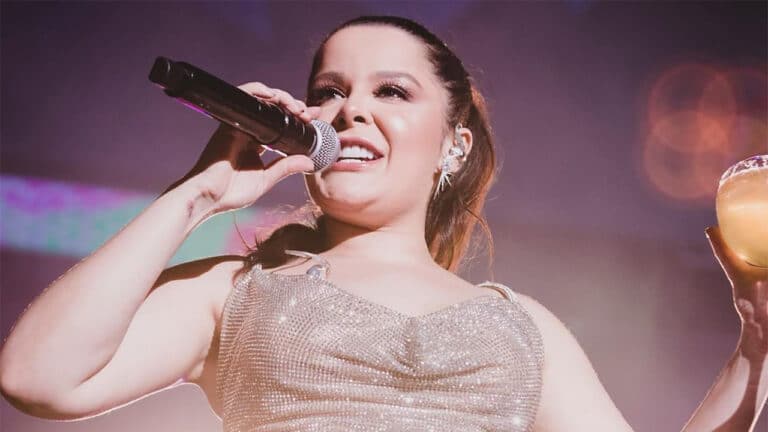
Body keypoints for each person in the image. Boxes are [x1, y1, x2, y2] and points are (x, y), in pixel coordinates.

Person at [0, 15, 766, 432]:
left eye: (391, 91)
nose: (349, 110)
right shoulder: (235, 293)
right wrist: (198, 194)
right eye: (329, 90)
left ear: (454, 145)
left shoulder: (523, 328)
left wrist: (754, 349)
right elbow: (37, 378)